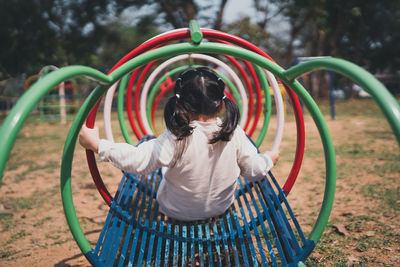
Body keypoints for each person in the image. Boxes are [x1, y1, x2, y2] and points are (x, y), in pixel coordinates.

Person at [79, 67, 280, 221]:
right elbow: (253, 171)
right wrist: (268, 159)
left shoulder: (176, 137)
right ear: (220, 104)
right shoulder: (234, 133)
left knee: (166, 169)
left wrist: (97, 144)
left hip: (176, 211)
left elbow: (137, 160)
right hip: (220, 207)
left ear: (181, 104)